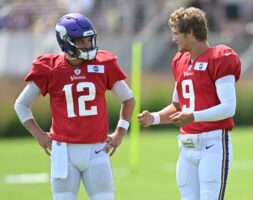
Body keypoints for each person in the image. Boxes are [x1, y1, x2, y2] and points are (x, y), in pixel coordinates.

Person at [14, 13, 135, 200]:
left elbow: (128, 99)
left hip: (97, 148)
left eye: (89, 39)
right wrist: (39, 135)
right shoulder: (51, 68)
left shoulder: (103, 64)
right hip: (64, 151)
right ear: (65, 42)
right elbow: (21, 104)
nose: (87, 45)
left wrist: (120, 132)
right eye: (81, 41)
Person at [138, 7, 241, 200]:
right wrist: (154, 118)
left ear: (191, 33)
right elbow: (177, 106)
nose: (174, 38)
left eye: (177, 33)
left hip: (213, 144)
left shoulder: (219, 57)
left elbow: (229, 108)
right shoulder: (180, 61)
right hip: (186, 147)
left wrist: (193, 116)